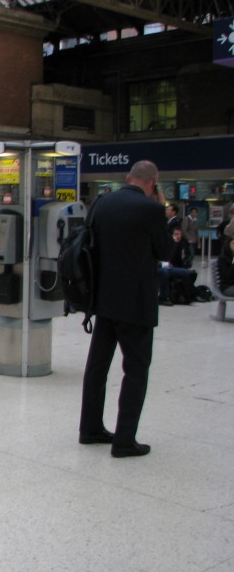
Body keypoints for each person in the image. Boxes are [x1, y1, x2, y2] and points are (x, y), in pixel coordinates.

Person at [79, 160, 171, 458]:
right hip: (135, 303)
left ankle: (90, 429)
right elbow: (166, 251)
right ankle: (124, 440)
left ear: (128, 178)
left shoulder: (102, 202)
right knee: (135, 369)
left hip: (102, 299)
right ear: (153, 181)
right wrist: (160, 211)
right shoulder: (152, 209)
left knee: (97, 366)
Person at [157, 227, 197, 305]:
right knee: (164, 272)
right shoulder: (166, 244)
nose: (178, 236)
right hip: (160, 266)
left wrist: (185, 268)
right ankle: (164, 297)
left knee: (186, 272)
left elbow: (179, 260)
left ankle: (188, 294)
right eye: (176, 234)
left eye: (179, 234)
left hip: (171, 266)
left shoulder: (180, 245)